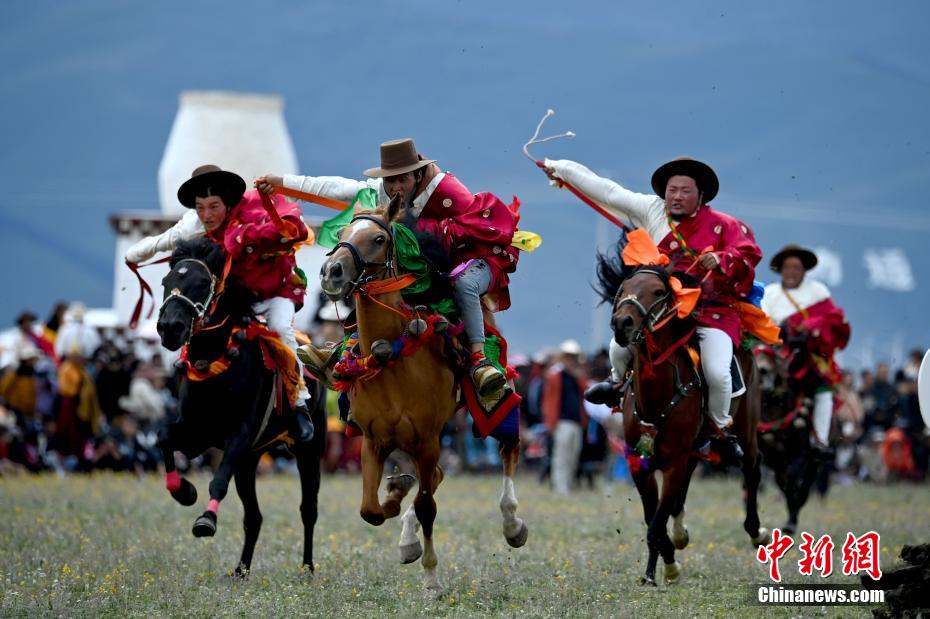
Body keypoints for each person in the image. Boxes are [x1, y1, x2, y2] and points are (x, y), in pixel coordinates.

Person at [257, 138, 520, 400]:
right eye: (389, 180)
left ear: (417, 175)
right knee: (375, 281)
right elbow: (338, 188)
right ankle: (343, 352)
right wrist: (281, 183)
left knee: (464, 285)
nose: (395, 187)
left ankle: (480, 361)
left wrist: (430, 234)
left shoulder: (448, 191)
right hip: (428, 261)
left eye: (401, 179)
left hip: (478, 254)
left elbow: (480, 230)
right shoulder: (384, 192)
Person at [544, 156, 761, 460]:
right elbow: (608, 191)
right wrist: (562, 169)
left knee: (717, 372)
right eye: (672, 190)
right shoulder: (651, 209)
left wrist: (723, 259)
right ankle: (617, 385)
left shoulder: (725, 225)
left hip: (711, 312)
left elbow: (748, 255)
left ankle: (720, 429)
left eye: (685, 191)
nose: (677, 196)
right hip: (665, 309)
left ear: (700, 195)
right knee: (619, 345)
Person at [124, 165, 314, 442]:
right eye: (200, 207)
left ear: (228, 201)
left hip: (277, 290)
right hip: (238, 295)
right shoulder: (194, 224)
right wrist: (134, 255)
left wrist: (243, 237)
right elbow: (166, 240)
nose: (206, 215)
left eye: (213, 206)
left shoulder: (257, 206)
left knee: (281, 328)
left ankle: (300, 404)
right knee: (204, 324)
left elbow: (294, 227)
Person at [760, 244, 850, 456]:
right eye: (787, 267)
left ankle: (820, 439)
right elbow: (761, 325)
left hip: (809, 357)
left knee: (823, 389)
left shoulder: (818, 292)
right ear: (780, 270)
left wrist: (809, 328)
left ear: (804, 270)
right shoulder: (770, 293)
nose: (791, 272)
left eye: (796, 267)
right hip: (775, 354)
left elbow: (834, 320)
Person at [542, 340, 588, 494]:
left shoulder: (577, 378)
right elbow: (548, 401)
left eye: (574, 357)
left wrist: (579, 375)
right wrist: (550, 423)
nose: (572, 360)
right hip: (561, 422)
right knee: (561, 456)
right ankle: (560, 487)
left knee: (573, 455)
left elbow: (586, 392)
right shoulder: (554, 377)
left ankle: (567, 484)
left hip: (576, 422)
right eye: (569, 357)